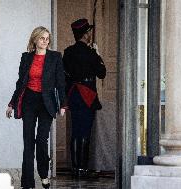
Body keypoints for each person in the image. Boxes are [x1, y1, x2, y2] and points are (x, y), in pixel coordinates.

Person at [6, 26, 66, 189]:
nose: (45, 41)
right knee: (28, 142)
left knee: (41, 140)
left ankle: (44, 174)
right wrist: (12, 103)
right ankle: (27, 183)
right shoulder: (26, 58)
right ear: (35, 40)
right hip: (29, 101)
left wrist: (63, 104)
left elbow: (60, 82)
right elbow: (20, 83)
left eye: (47, 39)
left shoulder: (55, 57)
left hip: (47, 102)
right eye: (42, 38)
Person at [63, 18, 106, 177]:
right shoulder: (90, 52)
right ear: (85, 34)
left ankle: (76, 169)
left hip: (74, 94)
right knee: (85, 132)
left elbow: (64, 75)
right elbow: (102, 73)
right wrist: (98, 54)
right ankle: (83, 169)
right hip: (87, 94)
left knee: (76, 131)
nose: (90, 34)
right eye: (89, 31)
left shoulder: (68, 52)